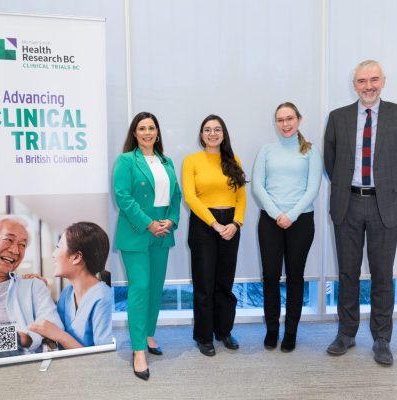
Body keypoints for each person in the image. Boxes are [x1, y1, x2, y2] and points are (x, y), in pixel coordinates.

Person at [324, 60, 397, 365]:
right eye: (362, 81)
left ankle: (382, 339)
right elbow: (331, 161)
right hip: (348, 203)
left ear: (383, 81)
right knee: (347, 273)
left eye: (374, 79)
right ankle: (346, 333)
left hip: (385, 205)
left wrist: (386, 186)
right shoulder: (337, 117)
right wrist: (348, 186)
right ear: (355, 85)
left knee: (382, 274)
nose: (368, 86)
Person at [113, 111, 182, 381]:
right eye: (142, 128)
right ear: (134, 133)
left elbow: (176, 196)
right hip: (137, 232)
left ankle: (149, 335)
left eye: (151, 128)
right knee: (140, 288)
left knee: (155, 288)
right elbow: (123, 197)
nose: (147, 132)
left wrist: (171, 221)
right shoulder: (126, 160)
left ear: (157, 132)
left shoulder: (166, 161)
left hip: (162, 231)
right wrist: (149, 223)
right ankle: (139, 350)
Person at [251, 102, 322, 352]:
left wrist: (291, 215)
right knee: (270, 276)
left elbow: (313, 189)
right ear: (276, 123)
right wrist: (277, 214)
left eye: (289, 118)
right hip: (270, 221)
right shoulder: (266, 150)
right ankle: (272, 329)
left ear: (298, 120)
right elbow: (257, 186)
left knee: (295, 277)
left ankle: (291, 331)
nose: (285, 124)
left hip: (301, 221)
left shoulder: (311, 151)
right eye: (280, 120)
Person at [182, 114, 246, 357]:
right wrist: (214, 224)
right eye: (207, 129)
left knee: (225, 283)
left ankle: (224, 331)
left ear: (223, 134)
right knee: (204, 284)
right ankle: (204, 336)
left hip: (231, 224)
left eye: (217, 129)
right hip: (203, 224)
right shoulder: (192, 160)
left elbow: (241, 197)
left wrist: (236, 223)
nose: (212, 133)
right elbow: (190, 197)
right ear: (201, 135)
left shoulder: (233, 160)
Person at [0, 215, 63, 360]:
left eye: (22, 245)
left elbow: (53, 325)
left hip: (16, 358)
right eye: (8, 240)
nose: (15, 251)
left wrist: (24, 338)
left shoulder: (33, 286)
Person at [29, 222, 113, 349]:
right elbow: (53, 329)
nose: (53, 254)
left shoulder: (104, 298)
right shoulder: (67, 294)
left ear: (76, 257)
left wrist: (60, 336)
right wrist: (40, 292)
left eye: (58, 247)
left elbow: (104, 357)